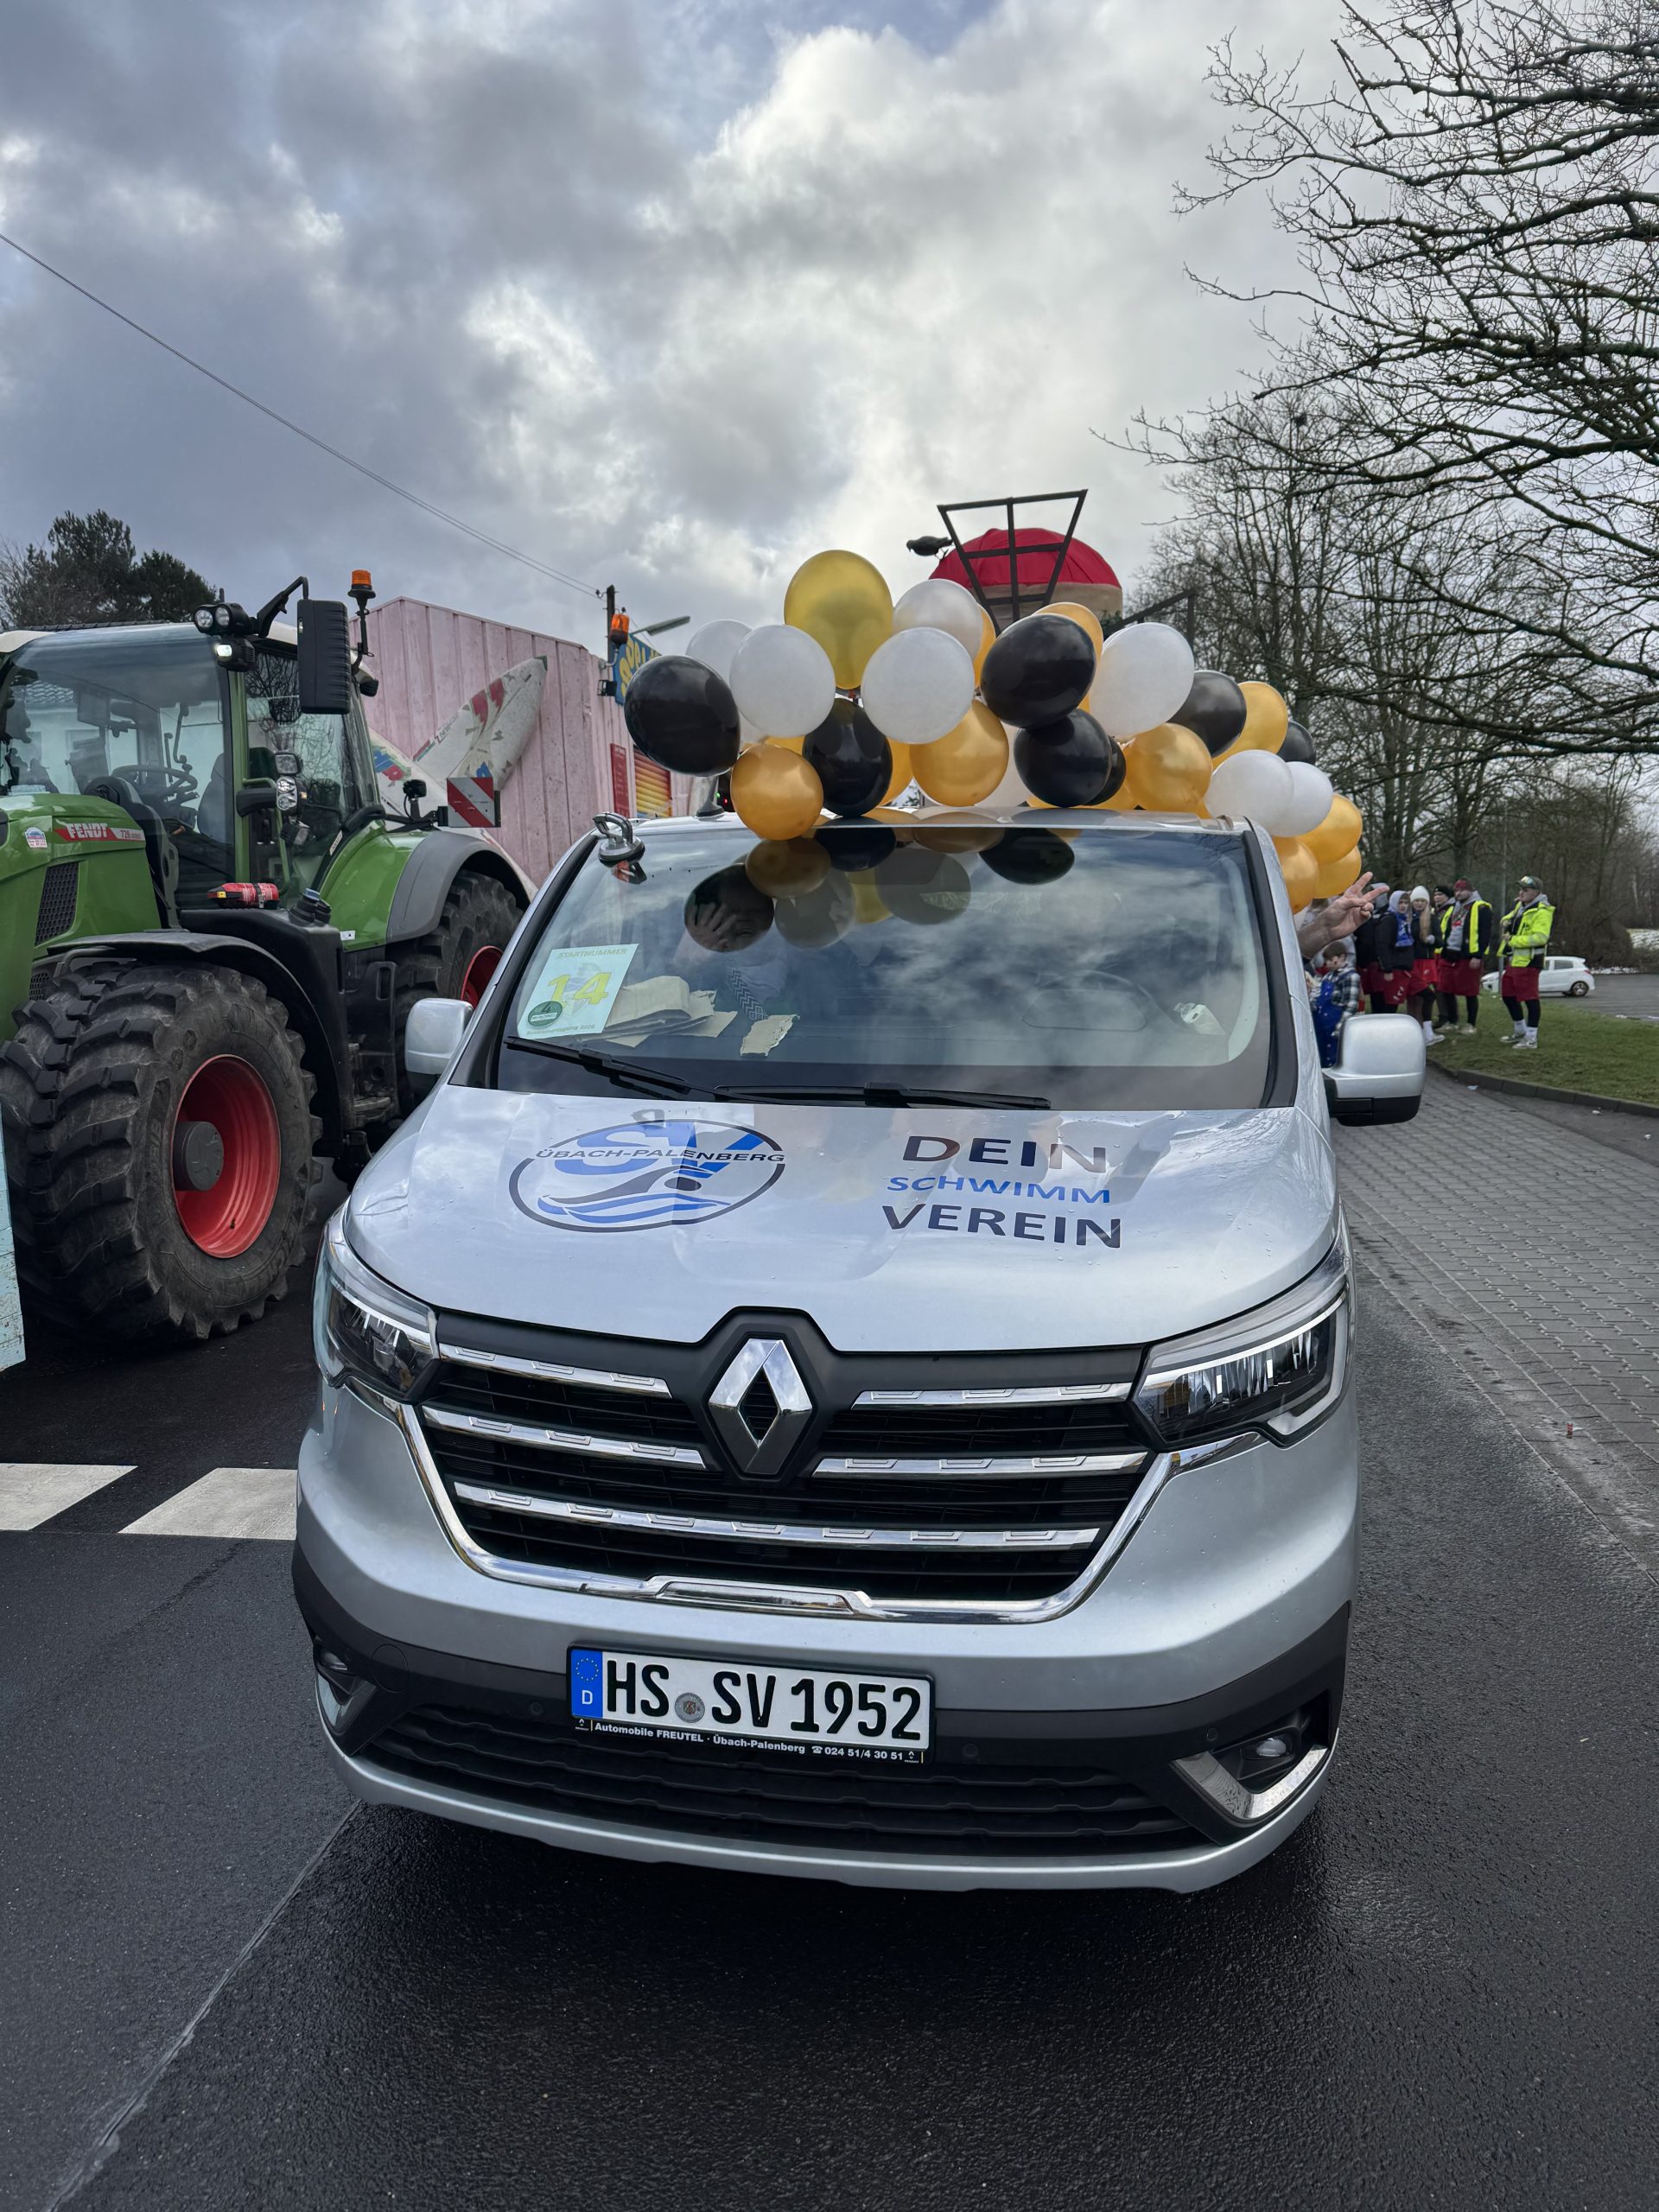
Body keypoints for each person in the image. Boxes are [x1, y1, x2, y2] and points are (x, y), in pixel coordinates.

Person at [1497, 875, 1554, 1048]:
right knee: (1508, 995)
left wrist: (1513, 940)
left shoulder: (1542, 911)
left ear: (1536, 892)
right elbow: (1507, 919)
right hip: (1515, 960)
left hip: (1530, 961)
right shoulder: (1521, 906)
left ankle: (1531, 1038)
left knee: (1530, 999)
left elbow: (1541, 938)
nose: (1521, 893)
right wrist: (1506, 921)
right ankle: (1520, 1030)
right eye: (1520, 889)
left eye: (1525, 890)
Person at [1435, 877, 1491, 1035]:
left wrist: (1478, 955)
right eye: (1456, 891)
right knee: (1445, 988)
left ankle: (1470, 1024)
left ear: (1471, 891)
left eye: (1462, 890)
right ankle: (1452, 1022)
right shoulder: (1454, 908)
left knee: (1470, 992)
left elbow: (1485, 934)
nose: (1458, 894)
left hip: (1468, 955)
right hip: (1449, 953)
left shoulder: (1481, 907)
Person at [1308, 940, 1362, 1066]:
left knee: (1336, 1060)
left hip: (1335, 1027)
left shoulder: (1351, 977)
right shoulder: (1328, 976)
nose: (1326, 963)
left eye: (1330, 960)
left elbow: (1351, 1006)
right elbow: (1319, 998)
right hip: (1321, 1028)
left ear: (1342, 957)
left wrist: (1340, 1029)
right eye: (1325, 960)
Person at [1408, 885, 1441, 1041]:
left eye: (1422, 901)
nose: (1419, 904)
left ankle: (1426, 1030)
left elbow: (1440, 941)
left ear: (1427, 902)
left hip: (1426, 962)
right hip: (1412, 962)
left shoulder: (1432, 918)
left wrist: (1433, 940)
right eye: (1416, 901)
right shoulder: (1408, 918)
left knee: (1426, 996)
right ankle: (1414, 1029)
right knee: (1413, 997)